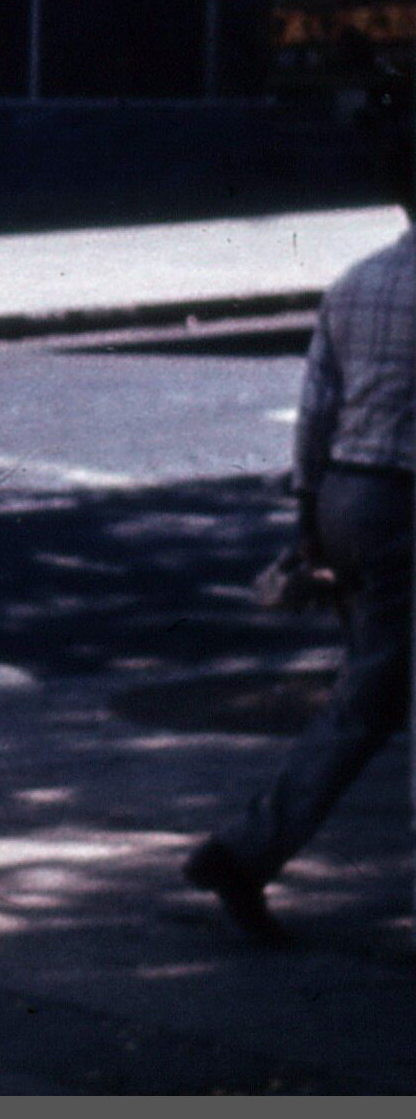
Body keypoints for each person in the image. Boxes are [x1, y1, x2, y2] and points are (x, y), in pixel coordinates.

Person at [183, 164, 414, 945]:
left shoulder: (358, 282)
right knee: (375, 689)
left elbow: (317, 410)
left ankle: (249, 850)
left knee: (373, 689)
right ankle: (246, 850)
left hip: (353, 494)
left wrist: (311, 517)